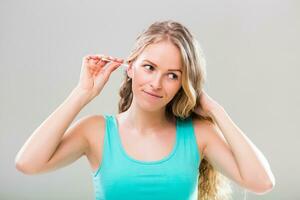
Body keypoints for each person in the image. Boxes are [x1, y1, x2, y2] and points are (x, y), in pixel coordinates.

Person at [15, 20, 275, 200]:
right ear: (131, 66)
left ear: (183, 84)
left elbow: (262, 182)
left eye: (172, 75)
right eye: (149, 67)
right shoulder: (95, 131)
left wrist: (215, 110)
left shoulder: (199, 134)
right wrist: (82, 94)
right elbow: (28, 163)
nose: (156, 84)